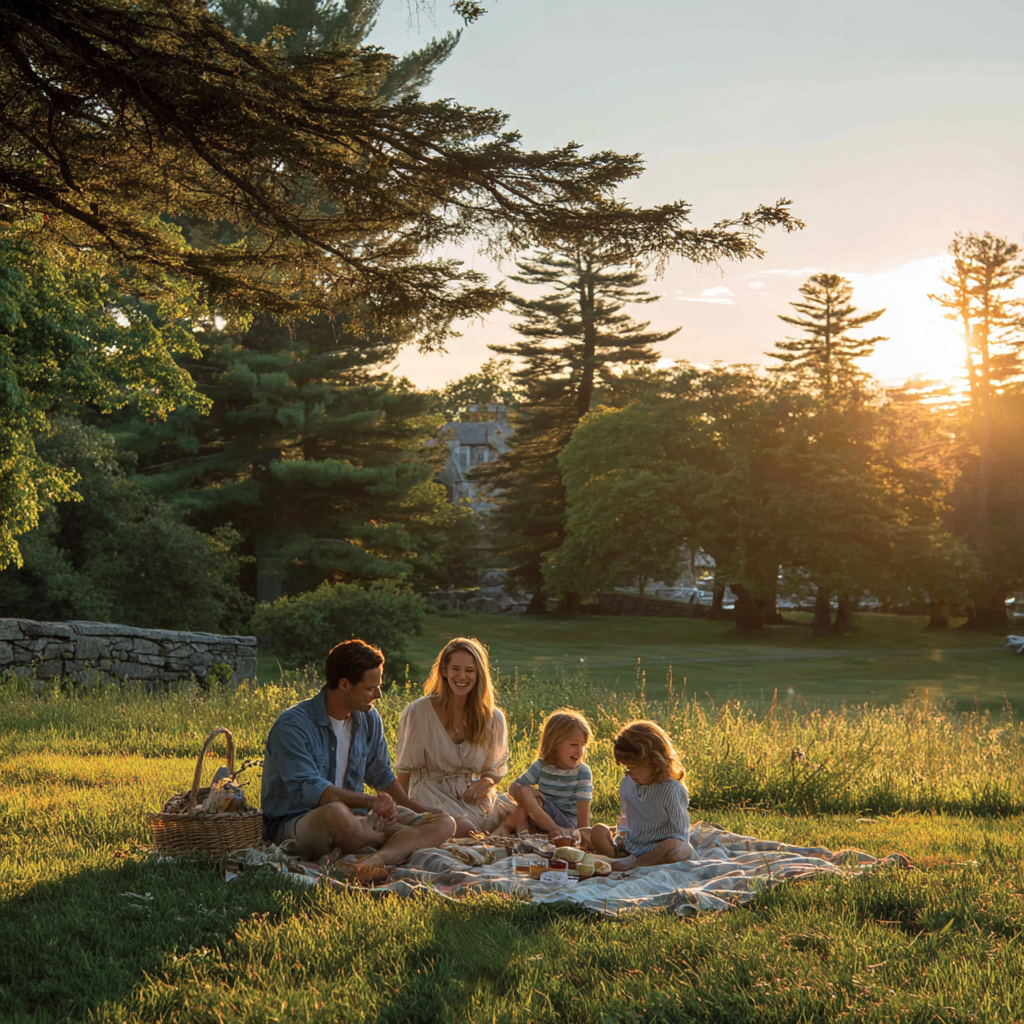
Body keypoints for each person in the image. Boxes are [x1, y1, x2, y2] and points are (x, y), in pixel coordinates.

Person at [261, 639, 455, 883]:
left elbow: (382, 775)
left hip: (359, 821)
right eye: (371, 688)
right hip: (298, 825)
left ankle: (370, 861)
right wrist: (374, 802)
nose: (379, 694)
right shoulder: (292, 726)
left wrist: (414, 807)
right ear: (344, 684)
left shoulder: (368, 719)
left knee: (444, 822)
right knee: (335, 813)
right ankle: (388, 844)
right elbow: (313, 792)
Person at [395, 637, 514, 837]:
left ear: (478, 674)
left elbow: (494, 768)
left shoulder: (493, 718)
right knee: (466, 829)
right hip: (430, 793)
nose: (462, 676)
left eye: (469, 670)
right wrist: (399, 809)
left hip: (471, 797)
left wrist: (487, 781)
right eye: (455, 669)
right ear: (444, 671)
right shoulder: (419, 712)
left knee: (528, 810)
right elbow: (404, 772)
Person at [586, 720, 693, 869]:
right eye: (626, 768)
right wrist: (618, 834)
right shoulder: (628, 783)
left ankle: (629, 865)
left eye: (632, 768)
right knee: (598, 830)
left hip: (658, 850)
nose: (629, 774)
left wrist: (660, 849)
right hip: (632, 846)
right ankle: (620, 863)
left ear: (653, 762)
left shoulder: (671, 789)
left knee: (676, 846)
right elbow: (628, 821)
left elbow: (680, 834)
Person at [492, 708, 593, 838]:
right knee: (526, 795)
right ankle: (528, 835)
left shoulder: (582, 772)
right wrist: (530, 800)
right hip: (542, 820)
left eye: (583, 744)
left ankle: (508, 827)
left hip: (567, 825)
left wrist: (582, 835)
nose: (579, 751)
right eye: (574, 745)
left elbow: (583, 813)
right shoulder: (542, 766)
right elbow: (514, 788)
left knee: (528, 797)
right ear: (554, 743)